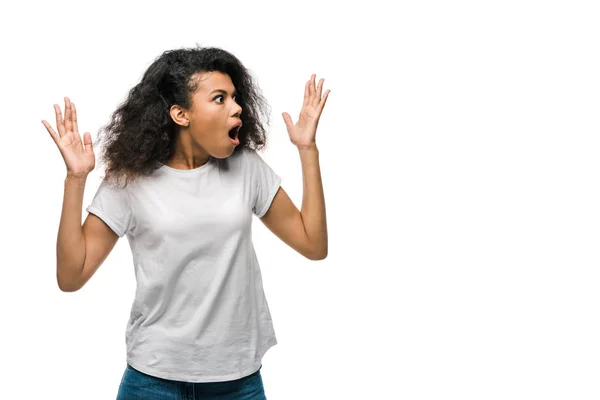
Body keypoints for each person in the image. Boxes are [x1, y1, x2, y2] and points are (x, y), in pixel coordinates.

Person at [42, 45, 330, 400]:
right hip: (153, 380)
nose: (237, 107)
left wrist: (307, 150)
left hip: (236, 380)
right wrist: (76, 179)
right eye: (220, 98)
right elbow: (71, 277)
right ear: (181, 114)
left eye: (235, 97)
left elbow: (313, 245)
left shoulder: (246, 168)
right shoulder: (130, 181)